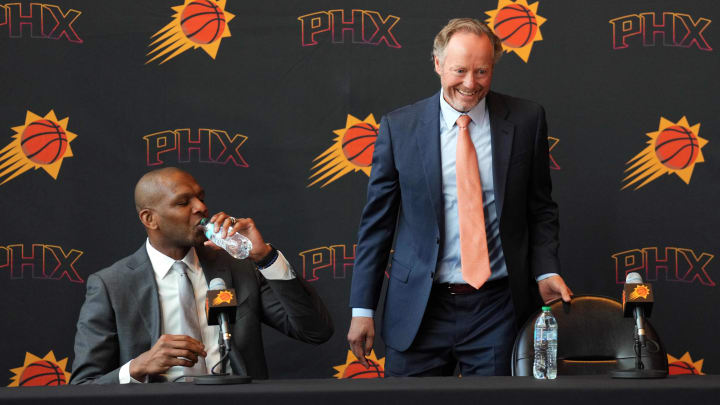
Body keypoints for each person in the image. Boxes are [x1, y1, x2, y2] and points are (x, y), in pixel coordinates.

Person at [347, 18, 573, 377]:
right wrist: (363, 309)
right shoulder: (399, 128)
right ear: (437, 64)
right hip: (419, 309)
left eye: (482, 71)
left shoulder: (527, 120)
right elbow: (377, 225)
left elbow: (540, 208)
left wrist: (545, 269)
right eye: (460, 70)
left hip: (498, 308)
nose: (470, 83)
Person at [70, 167, 333, 384]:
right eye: (183, 202)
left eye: (201, 198)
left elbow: (315, 332)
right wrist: (138, 366)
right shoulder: (112, 285)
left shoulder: (238, 268)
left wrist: (264, 257)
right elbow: (83, 386)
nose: (201, 208)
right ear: (150, 219)